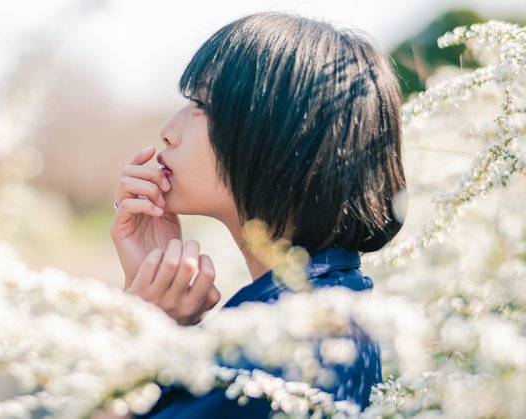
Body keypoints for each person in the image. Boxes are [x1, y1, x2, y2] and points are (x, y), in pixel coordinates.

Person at [109, 12, 405, 417]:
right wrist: (149, 286)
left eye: (199, 104)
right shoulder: (330, 306)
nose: (167, 130)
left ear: (282, 130)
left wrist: (139, 327)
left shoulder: (279, 359)